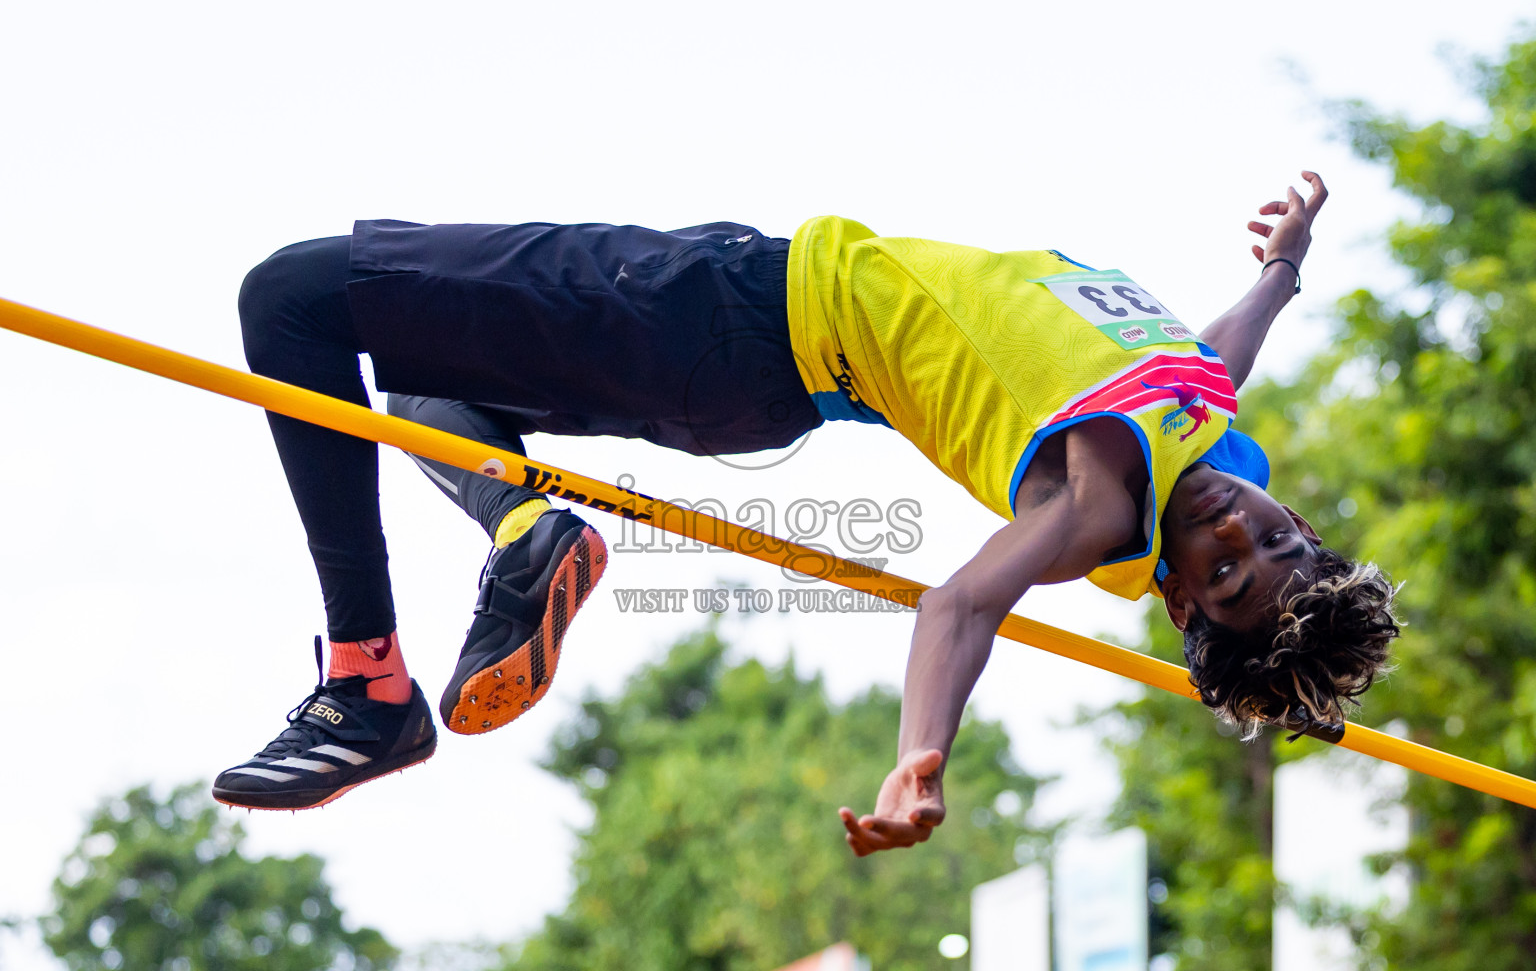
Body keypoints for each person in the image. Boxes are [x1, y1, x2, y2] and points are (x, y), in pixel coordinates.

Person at [219, 172, 1399, 855]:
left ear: (1183, 592)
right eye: (1277, 533)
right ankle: (524, 529)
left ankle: (368, 683)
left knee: (294, 300)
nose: (1241, 531)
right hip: (736, 345)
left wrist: (919, 760)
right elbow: (1222, 349)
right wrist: (1286, 266)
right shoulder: (1205, 421)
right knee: (423, 379)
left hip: (722, 318)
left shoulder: (1104, 501)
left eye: (1230, 571)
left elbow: (961, 601)